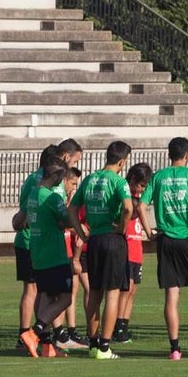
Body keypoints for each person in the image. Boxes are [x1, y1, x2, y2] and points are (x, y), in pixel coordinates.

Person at [137, 137, 188, 360]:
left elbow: (141, 205)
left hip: (166, 240)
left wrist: (149, 233)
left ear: (169, 154)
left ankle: (175, 349)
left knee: (171, 295)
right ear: (187, 155)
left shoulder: (158, 177)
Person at [70, 139, 132, 360]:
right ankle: (105, 347)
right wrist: (122, 227)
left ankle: (93, 343)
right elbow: (127, 207)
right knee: (112, 293)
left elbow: (72, 208)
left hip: (93, 240)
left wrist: (81, 231)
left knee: (94, 293)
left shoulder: (89, 179)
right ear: (122, 161)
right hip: (113, 240)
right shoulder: (118, 181)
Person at [16, 156, 79, 358]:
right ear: (54, 175)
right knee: (66, 298)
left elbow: (25, 219)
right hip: (54, 255)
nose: (62, 179)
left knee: (44, 296)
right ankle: (34, 332)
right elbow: (67, 220)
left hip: (38, 254)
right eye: (61, 175)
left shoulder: (33, 194)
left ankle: (47, 346)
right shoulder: (52, 198)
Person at [114, 162, 152, 344]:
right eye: (142, 185)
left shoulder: (139, 198)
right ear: (133, 179)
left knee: (132, 291)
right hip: (125, 249)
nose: (143, 190)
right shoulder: (124, 194)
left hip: (137, 249)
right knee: (124, 290)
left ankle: (124, 326)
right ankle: (117, 328)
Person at [56, 165, 88, 350]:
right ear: (65, 181)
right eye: (73, 184)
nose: (73, 188)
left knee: (75, 289)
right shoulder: (58, 197)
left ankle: (70, 331)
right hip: (63, 250)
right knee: (65, 292)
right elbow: (63, 222)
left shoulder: (69, 200)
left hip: (71, 251)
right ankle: (59, 333)